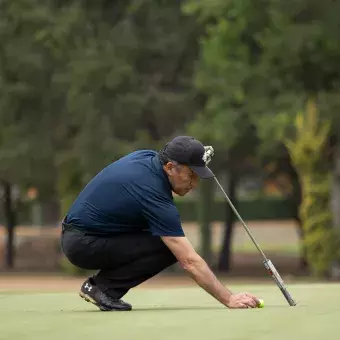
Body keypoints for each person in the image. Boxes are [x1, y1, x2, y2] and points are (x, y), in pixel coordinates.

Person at [61, 135, 260, 311]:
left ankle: (100, 288)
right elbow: (189, 261)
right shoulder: (153, 194)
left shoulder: (149, 158)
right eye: (191, 175)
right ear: (171, 167)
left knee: (163, 239)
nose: (194, 183)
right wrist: (229, 298)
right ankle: (102, 288)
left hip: (86, 235)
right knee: (169, 247)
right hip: (83, 243)